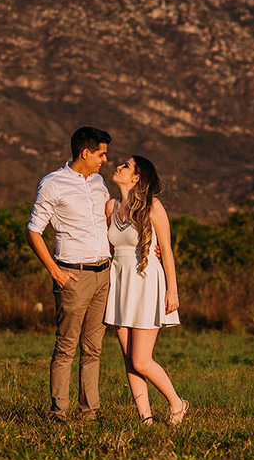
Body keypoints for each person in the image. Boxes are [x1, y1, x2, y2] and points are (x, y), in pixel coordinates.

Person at [27, 126, 114, 421]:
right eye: (101, 154)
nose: (105, 159)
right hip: (73, 276)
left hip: (104, 274)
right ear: (85, 152)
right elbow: (34, 231)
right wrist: (55, 272)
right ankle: (58, 413)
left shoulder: (100, 182)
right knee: (66, 347)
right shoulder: (53, 183)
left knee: (94, 348)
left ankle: (89, 411)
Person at [104, 155, 189, 426]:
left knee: (141, 360)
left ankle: (177, 402)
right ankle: (145, 419)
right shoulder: (110, 206)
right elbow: (108, 248)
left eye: (126, 166)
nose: (118, 166)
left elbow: (166, 249)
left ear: (137, 177)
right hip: (119, 282)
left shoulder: (153, 206)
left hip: (146, 281)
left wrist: (172, 291)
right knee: (129, 359)